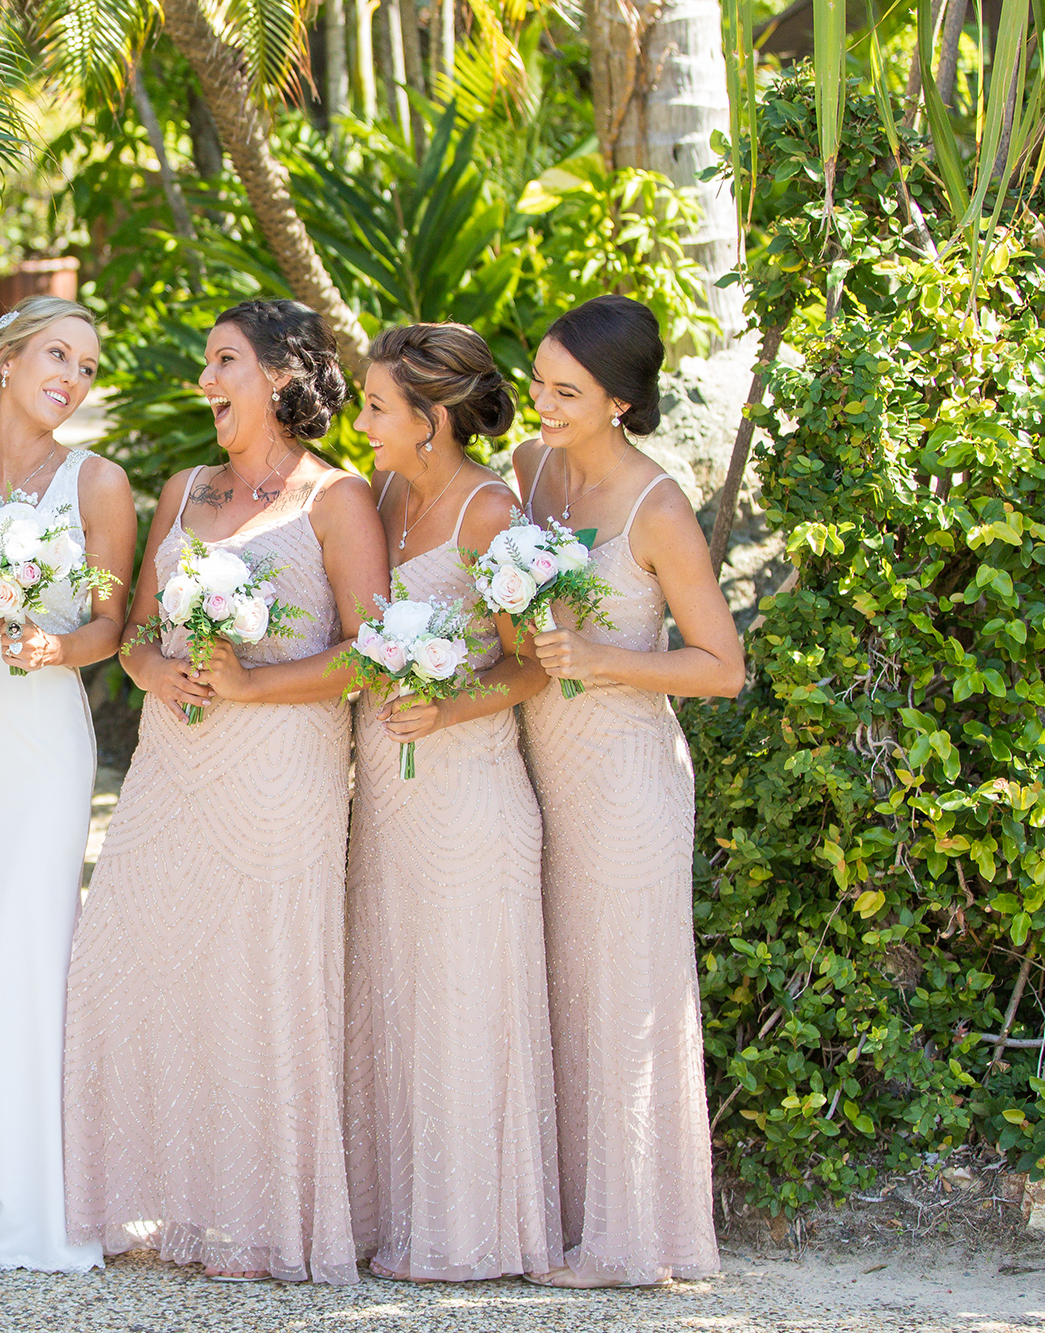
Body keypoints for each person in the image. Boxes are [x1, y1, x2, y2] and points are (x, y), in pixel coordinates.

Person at [61, 298, 388, 1285]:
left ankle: (262, 1217)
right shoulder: (183, 488)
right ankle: (133, 1190)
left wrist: (254, 685)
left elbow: (372, 654)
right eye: (207, 363)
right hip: (173, 761)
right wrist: (149, 669)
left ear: (281, 377)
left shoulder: (336, 499)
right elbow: (133, 631)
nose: (205, 381)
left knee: (260, 979)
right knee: (118, 957)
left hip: (279, 768)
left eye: (223, 361)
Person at [512, 294, 744, 1288]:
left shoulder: (657, 510)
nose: (542, 404)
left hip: (623, 777)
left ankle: (630, 1236)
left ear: (618, 401)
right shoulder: (531, 470)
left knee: (622, 994)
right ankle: (564, 1213)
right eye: (536, 383)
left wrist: (600, 658)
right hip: (537, 764)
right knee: (559, 984)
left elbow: (720, 667)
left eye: (565, 392)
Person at [0, 295, 135, 1272]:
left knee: (28, 946)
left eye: (87, 366)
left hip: (42, 739)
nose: (73, 377)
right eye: (58, 353)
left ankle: (32, 1204)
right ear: (3, 360)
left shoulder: (97, 483)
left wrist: (55, 647)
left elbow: (109, 629)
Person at [343, 323, 561, 1282]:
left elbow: (533, 667)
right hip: (386, 793)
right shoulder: (382, 493)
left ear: (432, 420)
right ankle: (396, 1211)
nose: (361, 421)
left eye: (377, 407)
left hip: (470, 792)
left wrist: (446, 705)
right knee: (394, 989)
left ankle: (471, 1228)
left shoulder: (491, 515)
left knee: (463, 999)